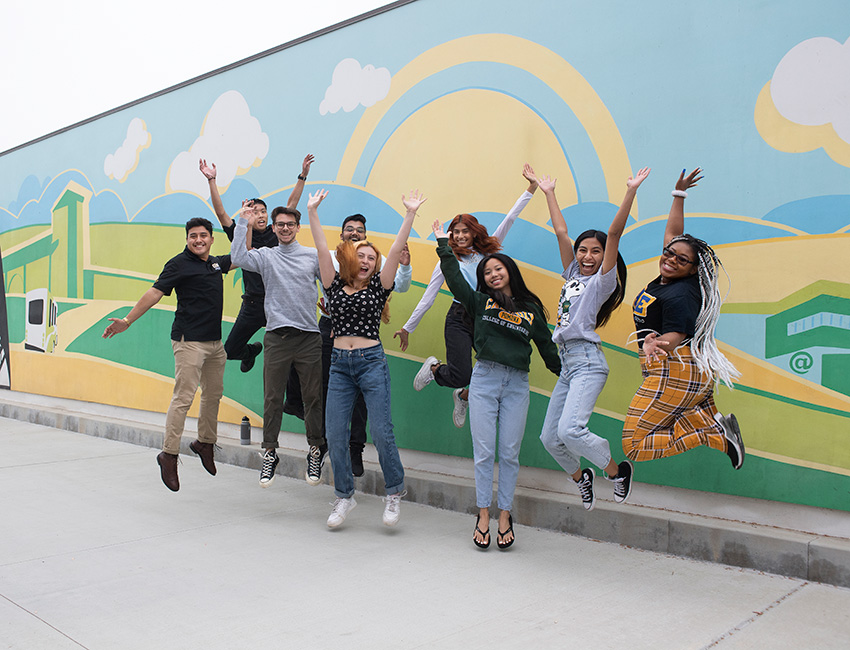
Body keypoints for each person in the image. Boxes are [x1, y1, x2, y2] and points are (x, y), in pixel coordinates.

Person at [432, 219, 560, 550]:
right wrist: (443, 246)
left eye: (498, 269)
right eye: (487, 272)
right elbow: (456, 281)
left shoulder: (531, 310)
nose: (492, 274)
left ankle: (505, 515)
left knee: (509, 453)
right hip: (485, 379)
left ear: (509, 272)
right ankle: (483, 515)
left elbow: (547, 349)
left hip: (517, 384)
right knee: (484, 453)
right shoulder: (479, 302)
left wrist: (571, 377)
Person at [306, 187, 426, 529]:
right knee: (335, 432)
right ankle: (344, 496)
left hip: (372, 362)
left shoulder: (378, 287)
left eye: (371, 258)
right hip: (340, 365)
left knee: (382, 431)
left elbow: (394, 248)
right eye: (361, 256)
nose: (366, 260)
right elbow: (319, 247)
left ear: (377, 267)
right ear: (350, 259)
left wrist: (409, 214)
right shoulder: (332, 284)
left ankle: (393, 492)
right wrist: (312, 212)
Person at [536, 167, 650, 511]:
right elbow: (560, 231)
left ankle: (617, 473)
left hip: (587, 362)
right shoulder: (572, 273)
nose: (587, 256)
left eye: (595, 251)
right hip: (568, 363)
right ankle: (581, 478)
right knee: (549, 438)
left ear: (605, 257)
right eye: (583, 250)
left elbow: (614, 233)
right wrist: (549, 191)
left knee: (571, 431)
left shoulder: (603, 282)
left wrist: (630, 191)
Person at [397, 165, 538, 429]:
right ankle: (435, 369)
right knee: (461, 372)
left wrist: (531, 188)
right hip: (459, 318)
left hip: (488, 319)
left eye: (465, 231)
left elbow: (510, 218)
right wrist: (407, 327)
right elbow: (429, 296)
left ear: (474, 232)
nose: (460, 236)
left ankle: (463, 396)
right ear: (450, 235)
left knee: (495, 369)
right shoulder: (446, 261)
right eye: (456, 231)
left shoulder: (488, 253)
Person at [623, 168, 744, 468]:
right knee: (648, 434)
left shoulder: (680, 294)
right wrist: (679, 195)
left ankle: (711, 434)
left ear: (692, 270)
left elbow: (677, 333)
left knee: (634, 445)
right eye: (669, 253)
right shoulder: (672, 280)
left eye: (681, 259)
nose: (671, 259)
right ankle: (709, 420)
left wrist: (657, 344)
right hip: (680, 369)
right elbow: (673, 235)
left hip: (673, 366)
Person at [102, 218, 232, 492]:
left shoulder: (216, 263)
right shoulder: (178, 264)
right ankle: (168, 454)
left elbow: (245, 254)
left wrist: (244, 221)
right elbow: (155, 292)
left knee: (213, 395)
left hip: (214, 344)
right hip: (189, 343)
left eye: (203, 236)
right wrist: (127, 320)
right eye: (193, 236)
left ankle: (205, 443)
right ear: (187, 239)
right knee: (183, 398)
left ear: (211, 239)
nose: (198, 240)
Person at [284, 213, 413, 477]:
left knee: (360, 400)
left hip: (364, 340)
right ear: (341, 234)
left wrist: (405, 265)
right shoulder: (331, 258)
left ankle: (355, 449)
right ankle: (320, 446)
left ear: (365, 236)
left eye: (360, 230)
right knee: (320, 390)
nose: (354, 233)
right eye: (349, 229)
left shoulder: (372, 258)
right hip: (330, 328)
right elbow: (307, 266)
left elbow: (399, 284)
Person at [231, 199, 326, 488]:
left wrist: (332, 308)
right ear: (274, 228)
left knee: (312, 397)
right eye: (280, 225)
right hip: (276, 337)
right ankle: (270, 452)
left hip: (309, 337)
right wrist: (242, 223)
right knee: (272, 398)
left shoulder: (311, 256)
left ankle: (315, 449)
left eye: (290, 224)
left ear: (298, 228)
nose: (285, 228)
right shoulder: (266, 255)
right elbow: (239, 257)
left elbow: (331, 283)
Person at [199, 155, 313, 372]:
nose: (259, 215)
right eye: (254, 211)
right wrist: (211, 181)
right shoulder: (239, 233)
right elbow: (221, 212)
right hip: (253, 304)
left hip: (279, 302)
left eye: (263, 211)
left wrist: (302, 176)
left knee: (289, 356)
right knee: (230, 350)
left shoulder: (276, 232)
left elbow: (292, 204)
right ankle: (250, 352)